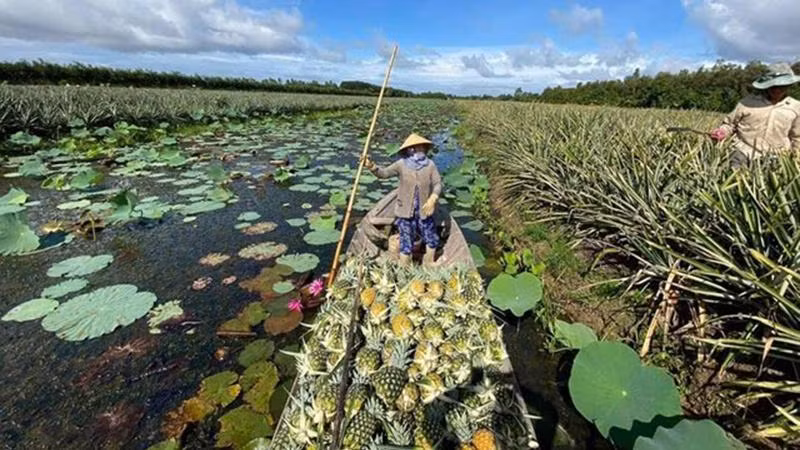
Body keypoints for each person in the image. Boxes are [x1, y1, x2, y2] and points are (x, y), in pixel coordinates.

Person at [364, 133, 442, 267]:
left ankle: (428, 262)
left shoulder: (430, 165)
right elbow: (384, 174)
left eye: (422, 147)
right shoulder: (401, 165)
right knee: (406, 240)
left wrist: (433, 198)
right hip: (405, 210)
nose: (421, 150)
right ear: (410, 149)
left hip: (424, 210)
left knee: (431, 236)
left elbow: (438, 184)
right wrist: (372, 167)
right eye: (418, 148)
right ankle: (404, 265)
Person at [710, 62, 800, 167]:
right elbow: (729, 124)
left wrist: (796, 159)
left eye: (781, 86)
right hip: (743, 151)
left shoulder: (796, 107)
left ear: (788, 85)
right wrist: (722, 131)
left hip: (776, 157)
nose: (776, 90)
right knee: (734, 172)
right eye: (773, 86)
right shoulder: (747, 102)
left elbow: (797, 137)